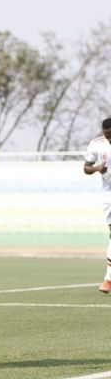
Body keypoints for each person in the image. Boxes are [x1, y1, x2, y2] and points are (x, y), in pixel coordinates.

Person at [84, 118, 111, 294]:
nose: (109, 139)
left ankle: (108, 278)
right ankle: (108, 278)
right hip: (109, 194)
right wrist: (96, 169)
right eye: (107, 135)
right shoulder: (96, 144)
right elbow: (86, 167)